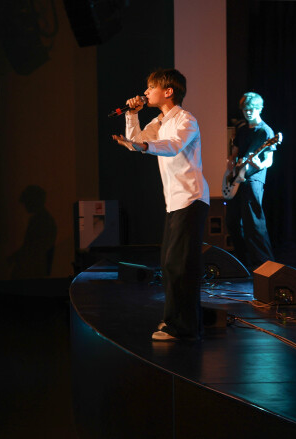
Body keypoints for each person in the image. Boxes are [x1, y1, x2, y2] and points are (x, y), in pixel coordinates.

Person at [112, 68, 209, 342]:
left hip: (191, 198)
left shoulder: (186, 120)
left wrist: (144, 147)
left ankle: (183, 327)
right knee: (169, 265)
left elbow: (173, 146)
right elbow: (136, 143)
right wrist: (132, 115)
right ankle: (176, 320)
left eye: (150, 87)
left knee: (180, 266)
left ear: (168, 91)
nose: (145, 92)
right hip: (174, 202)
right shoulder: (159, 121)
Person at [225, 92, 276, 269]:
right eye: (245, 109)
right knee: (232, 222)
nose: (248, 112)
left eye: (252, 109)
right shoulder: (242, 130)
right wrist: (231, 161)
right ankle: (243, 263)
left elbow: (269, 160)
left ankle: (264, 264)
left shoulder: (265, 131)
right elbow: (234, 153)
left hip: (254, 179)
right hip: (237, 179)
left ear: (260, 108)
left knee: (253, 223)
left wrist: (260, 164)